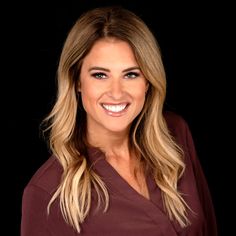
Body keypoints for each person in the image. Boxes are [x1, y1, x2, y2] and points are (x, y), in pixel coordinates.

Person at [21, 6, 218, 236]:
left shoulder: (175, 133)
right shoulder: (46, 192)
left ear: (148, 81)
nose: (116, 93)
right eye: (100, 75)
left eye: (131, 74)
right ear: (76, 81)